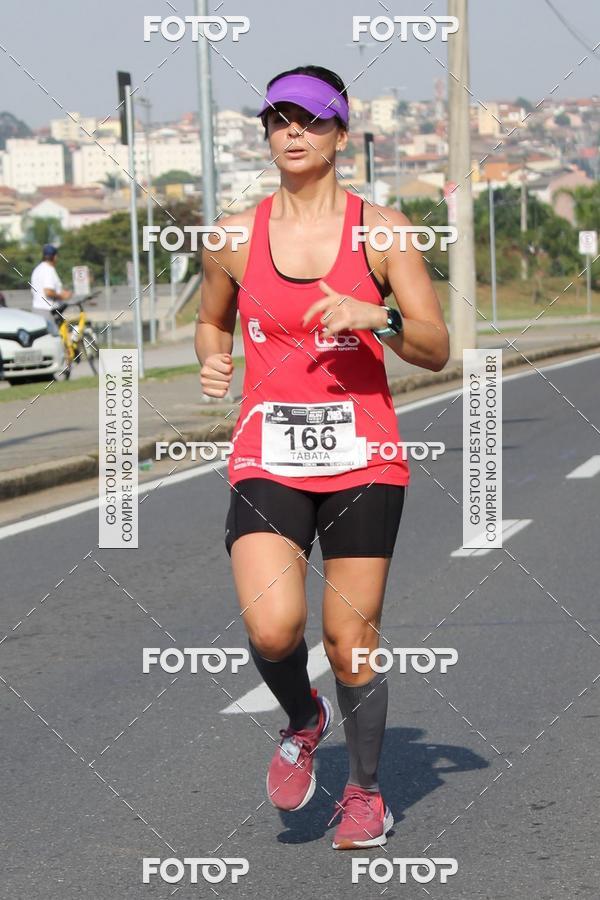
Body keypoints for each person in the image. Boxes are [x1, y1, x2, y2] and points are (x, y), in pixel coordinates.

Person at [195, 65, 449, 850]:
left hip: (363, 457)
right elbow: (211, 322)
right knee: (275, 630)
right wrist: (213, 358)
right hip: (267, 451)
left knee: (349, 639)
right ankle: (304, 721)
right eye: (277, 119)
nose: (291, 131)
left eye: (308, 119)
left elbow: (436, 349)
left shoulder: (385, 231)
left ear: (342, 134)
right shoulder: (232, 237)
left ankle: (366, 794)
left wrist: (375, 314)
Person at [30, 244, 72, 326]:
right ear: (55, 257)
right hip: (48, 311)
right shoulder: (49, 270)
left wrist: (61, 292)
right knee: (55, 337)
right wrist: (63, 296)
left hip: (37, 309)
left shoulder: (38, 269)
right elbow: (48, 292)